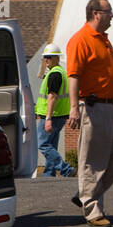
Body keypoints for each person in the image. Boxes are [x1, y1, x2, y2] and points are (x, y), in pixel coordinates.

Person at [66, 0, 113, 227]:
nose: (112, 15)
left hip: (112, 107)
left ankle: (85, 193)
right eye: (109, 11)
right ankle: (93, 210)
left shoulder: (104, 40)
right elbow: (73, 76)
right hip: (93, 106)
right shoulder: (80, 40)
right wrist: (74, 108)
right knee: (92, 161)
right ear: (95, 13)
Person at [34, 42, 75, 178]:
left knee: (43, 144)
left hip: (53, 116)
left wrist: (48, 118)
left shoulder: (55, 74)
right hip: (60, 115)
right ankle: (48, 174)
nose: (46, 59)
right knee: (51, 144)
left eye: (50, 57)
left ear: (57, 58)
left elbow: (52, 97)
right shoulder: (61, 73)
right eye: (45, 57)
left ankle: (65, 169)